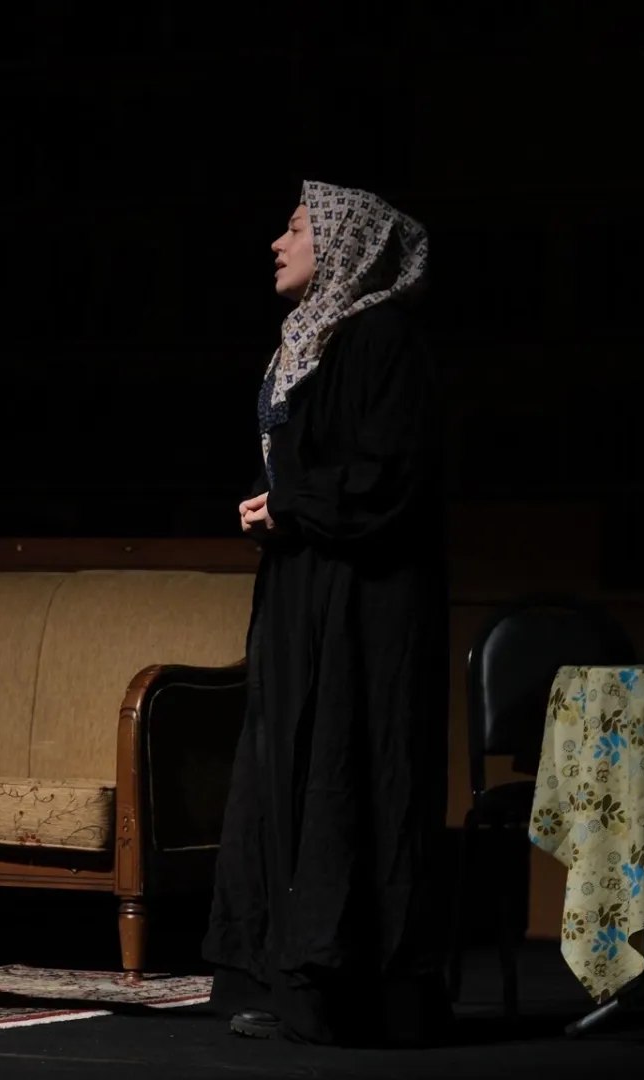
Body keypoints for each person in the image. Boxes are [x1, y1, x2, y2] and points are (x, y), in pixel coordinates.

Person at [200, 180, 451, 1047]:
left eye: (298, 227)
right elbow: (304, 458)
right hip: (301, 585)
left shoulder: (381, 337)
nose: (279, 242)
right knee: (288, 769)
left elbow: (390, 473)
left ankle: (353, 995)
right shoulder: (305, 339)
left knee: (351, 768)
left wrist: (292, 504)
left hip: (364, 602)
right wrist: (272, 506)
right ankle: (288, 979)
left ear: (344, 243)